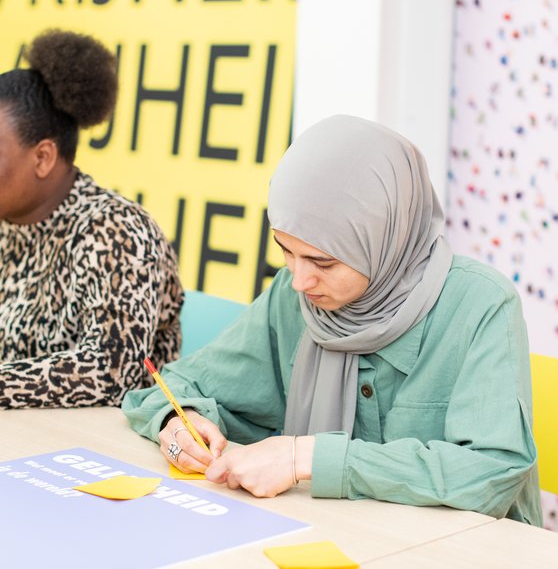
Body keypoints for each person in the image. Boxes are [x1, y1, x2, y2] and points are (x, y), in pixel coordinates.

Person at [122, 115, 542, 524]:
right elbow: (174, 387)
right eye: (286, 251)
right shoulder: (293, 296)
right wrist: (180, 422)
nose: (300, 279)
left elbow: (492, 472)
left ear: (385, 239)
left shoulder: (482, 305)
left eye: (322, 261)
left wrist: (305, 457)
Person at [0, 29, 183, 409]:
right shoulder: (8, 221)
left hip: (100, 452)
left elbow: (112, 372)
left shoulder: (116, 231)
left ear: (43, 158)